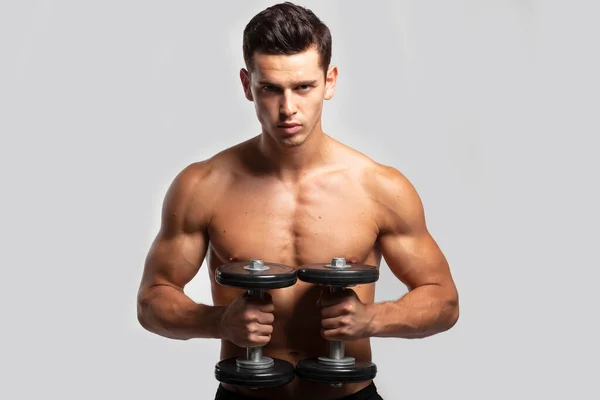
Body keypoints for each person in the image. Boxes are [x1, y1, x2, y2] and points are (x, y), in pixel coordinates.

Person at [136, 2, 459, 399]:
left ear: (330, 81)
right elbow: (153, 299)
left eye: (304, 87)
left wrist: (373, 318)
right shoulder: (202, 186)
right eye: (270, 89)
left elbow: (443, 299)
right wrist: (220, 322)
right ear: (246, 84)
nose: (288, 109)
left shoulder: (379, 188)